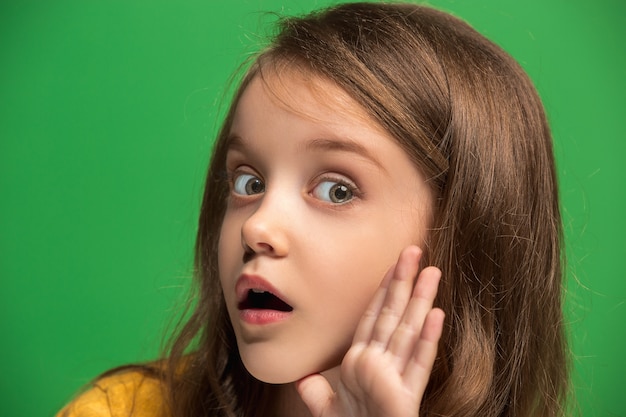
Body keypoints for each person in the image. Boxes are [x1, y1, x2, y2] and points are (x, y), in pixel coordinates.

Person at [57, 2, 569, 416]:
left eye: (337, 191)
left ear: (468, 236)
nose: (257, 226)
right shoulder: (122, 410)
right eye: (248, 181)